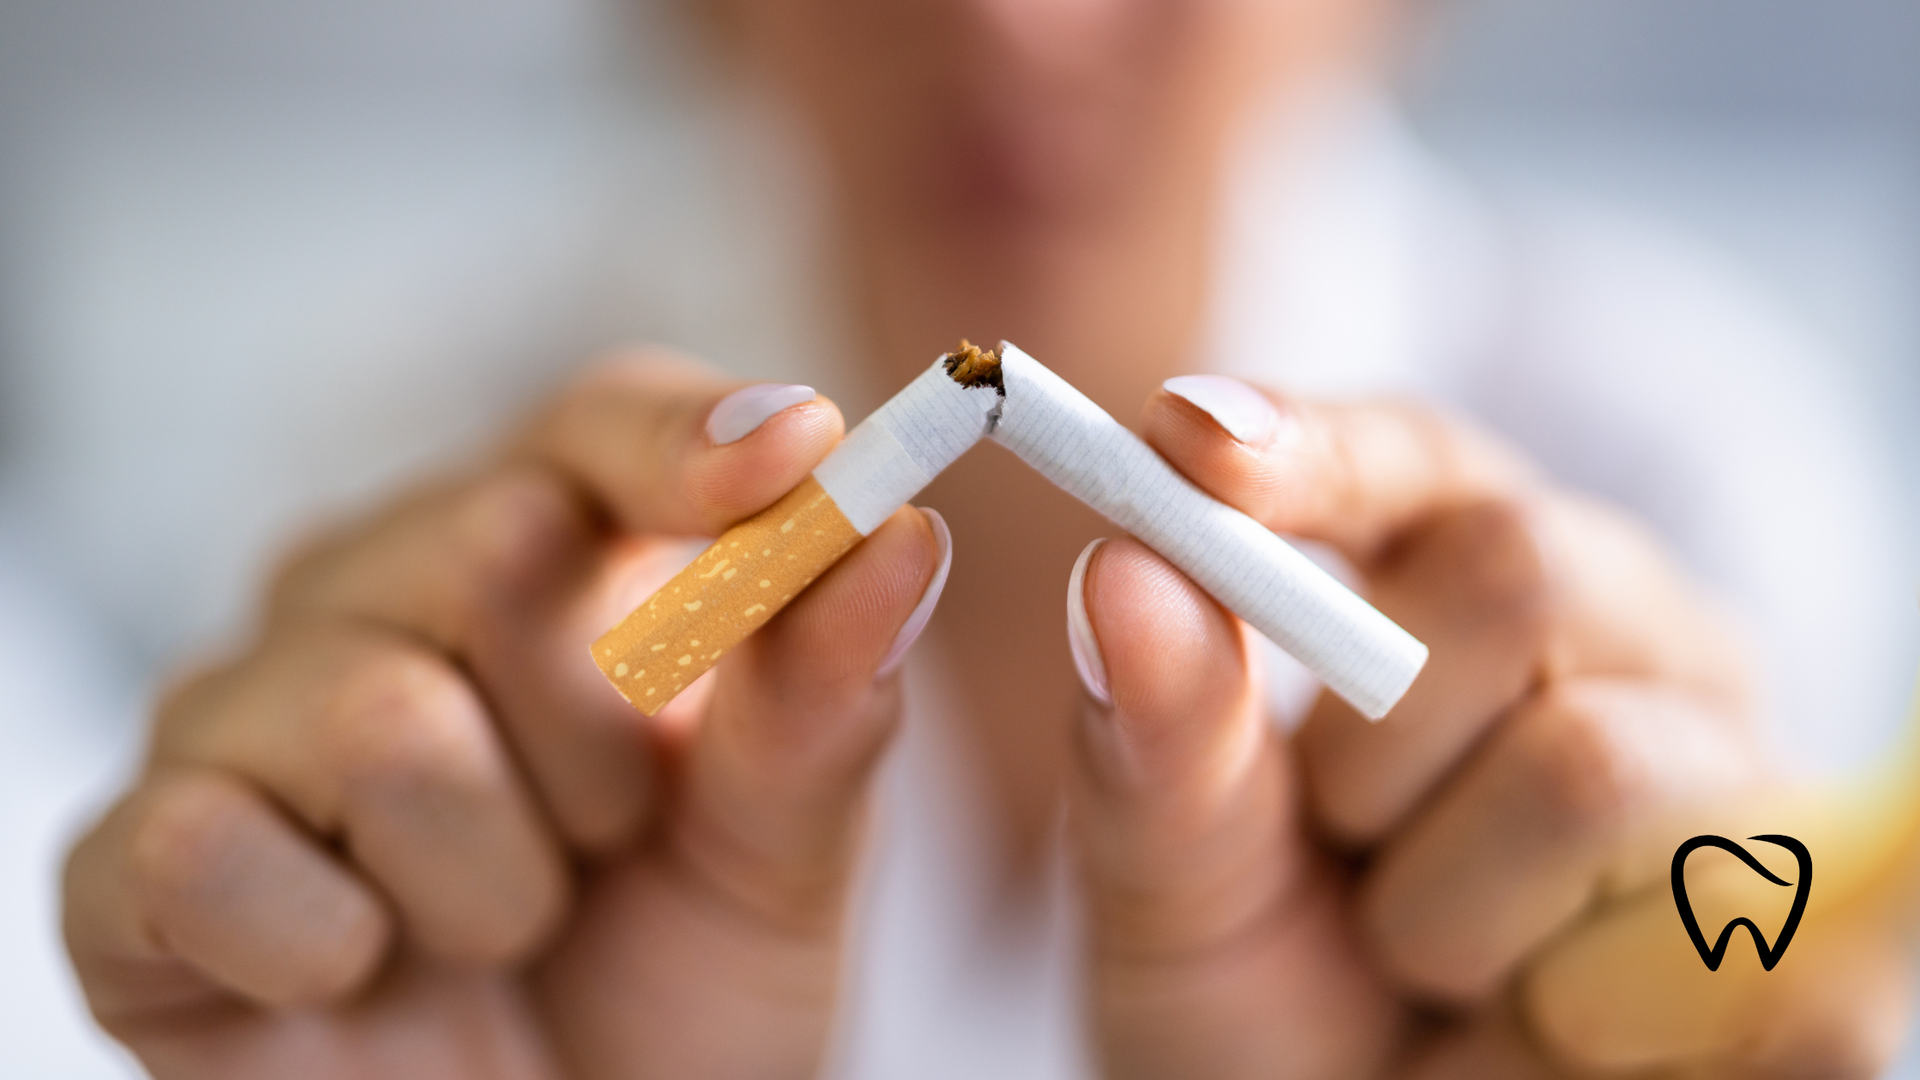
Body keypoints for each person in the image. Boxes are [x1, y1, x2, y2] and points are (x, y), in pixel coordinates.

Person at [58, 1, 1917, 1077]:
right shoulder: (439, 476)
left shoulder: (1685, 468)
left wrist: (1757, 987)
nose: (1019, 21)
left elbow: (1768, 941)